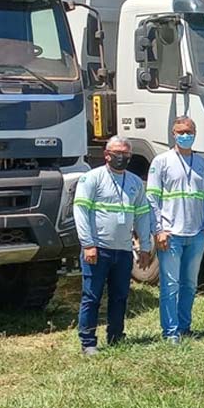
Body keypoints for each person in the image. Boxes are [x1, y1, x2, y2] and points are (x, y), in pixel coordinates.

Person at [73, 136, 152, 355]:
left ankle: (116, 336)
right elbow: (81, 212)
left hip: (124, 250)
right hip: (98, 249)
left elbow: (143, 215)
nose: (123, 157)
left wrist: (145, 246)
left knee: (120, 296)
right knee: (92, 295)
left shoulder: (135, 182)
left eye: (127, 154)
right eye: (118, 153)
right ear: (106, 155)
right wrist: (88, 244)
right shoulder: (91, 179)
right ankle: (88, 341)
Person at [147, 116, 204, 342]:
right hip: (171, 235)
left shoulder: (202, 163)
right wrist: (159, 230)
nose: (185, 135)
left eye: (189, 131)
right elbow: (153, 198)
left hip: (196, 234)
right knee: (170, 285)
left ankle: (185, 326)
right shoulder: (161, 161)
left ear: (195, 133)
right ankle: (171, 332)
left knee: (189, 284)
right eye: (180, 132)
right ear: (173, 134)